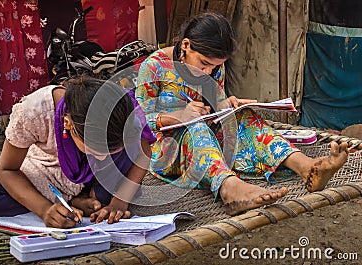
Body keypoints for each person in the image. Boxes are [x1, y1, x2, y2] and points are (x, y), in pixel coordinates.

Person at [135, 13, 349, 215]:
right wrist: (179, 116)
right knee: (196, 127)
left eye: (215, 66)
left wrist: (226, 104)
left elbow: (213, 108)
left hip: (207, 139)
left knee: (243, 118)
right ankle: (230, 189)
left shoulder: (216, 68)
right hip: (167, 149)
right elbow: (138, 123)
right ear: (186, 45)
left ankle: (306, 167)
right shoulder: (154, 67)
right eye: (204, 63)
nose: (209, 72)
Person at [0, 76, 156, 227]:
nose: (102, 158)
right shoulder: (34, 112)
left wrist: (119, 202)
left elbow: (144, 151)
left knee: (124, 159)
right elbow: (6, 171)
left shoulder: (124, 110)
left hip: (100, 185)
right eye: (95, 149)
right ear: (67, 124)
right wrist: (45, 209)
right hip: (43, 175)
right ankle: (75, 200)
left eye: (110, 150)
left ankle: (86, 198)